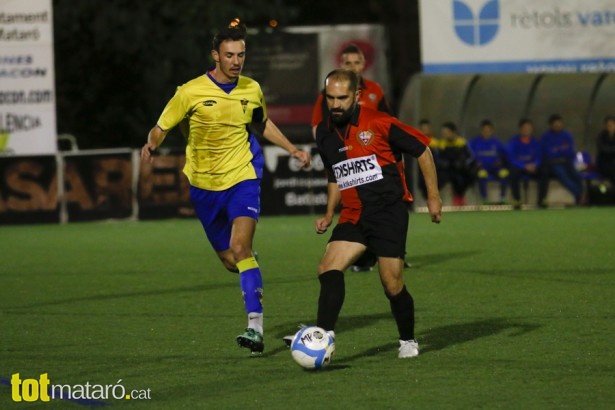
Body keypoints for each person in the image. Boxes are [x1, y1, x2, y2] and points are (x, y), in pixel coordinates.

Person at [141, 20, 311, 355]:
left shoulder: (251, 88)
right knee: (231, 260)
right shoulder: (189, 92)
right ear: (215, 56)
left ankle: (255, 328)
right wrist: (152, 145)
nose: (236, 61)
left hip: (242, 176)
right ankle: (250, 271)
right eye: (230, 55)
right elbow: (161, 126)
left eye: (241, 55)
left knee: (241, 248)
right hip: (203, 186)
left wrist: (292, 149)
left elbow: (261, 122)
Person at [291, 69, 442, 358]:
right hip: (353, 214)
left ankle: (407, 340)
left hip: (388, 212)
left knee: (391, 283)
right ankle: (323, 337)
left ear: (357, 96)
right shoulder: (324, 132)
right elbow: (336, 174)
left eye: (342, 98)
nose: (335, 104)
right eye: (330, 98)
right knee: (327, 268)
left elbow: (422, 150)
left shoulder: (380, 123)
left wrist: (433, 197)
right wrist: (328, 213)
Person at [311, 43, 397, 272]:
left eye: (356, 62)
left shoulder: (375, 90)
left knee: (381, 206)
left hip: (374, 162)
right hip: (346, 161)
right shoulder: (330, 93)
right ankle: (361, 255)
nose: (353, 66)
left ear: (363, 64)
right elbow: (317, 126)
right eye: (347, 63)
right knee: (352, 205)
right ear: (341, 64)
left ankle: (388, 253)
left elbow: (388, 123)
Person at [538, 114, 583, 207]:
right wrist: (562, 150)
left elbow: (570, 151)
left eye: (559, 124)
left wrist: (557, 150)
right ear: (551, 125)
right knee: (562, 174)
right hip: (553, 163)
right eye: (555, 124)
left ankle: (580, 198)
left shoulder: (567, 135)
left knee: (577, 175)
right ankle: (581, 195)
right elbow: (548, 153)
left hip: (567, 161)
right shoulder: (546, 137)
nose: (558, 126)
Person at [468, 119, 509, 204]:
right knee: (481, 175)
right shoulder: (475, 142)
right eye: (484, 130)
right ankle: (484, 199)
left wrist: (500, 162)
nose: (486, 132)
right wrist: (476, 163)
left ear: (492, 131)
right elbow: (470, 155)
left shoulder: (497, 142)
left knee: (504, 174)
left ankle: (502, 198)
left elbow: (504, 155)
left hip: (495, 167)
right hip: (481, 167)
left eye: (488, 130)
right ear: (481, 130)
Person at [437, 122, 477, 206]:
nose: (444, 135)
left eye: (446, 132)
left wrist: (463, 163)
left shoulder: (462, 143)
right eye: (443, 133)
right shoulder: (442, 144)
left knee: (465, 177)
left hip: (461, 170)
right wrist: (445, 164)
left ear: (453, 132)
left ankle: (461, 198)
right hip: (447, 171)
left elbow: (471, 157)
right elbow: (438, 159)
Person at [506, 118, 542, 209]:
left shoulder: (535, 142)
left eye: (529, 128)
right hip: (520, 168)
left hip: (532, 168)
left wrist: (534, 164)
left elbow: (539, 157)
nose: (527, 130)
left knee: (544, 171)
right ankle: (517, 201)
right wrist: (524, 166)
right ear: (520, 129)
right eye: (525, 128)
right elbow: (511, 158)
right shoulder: (513, 142)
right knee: (513, 172)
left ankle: (541, 201)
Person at [596, 115, 615, 186]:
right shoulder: (601, 136)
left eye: (612, 124)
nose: (610, 127)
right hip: (604, 163)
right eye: (608, 125)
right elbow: (603, 149)